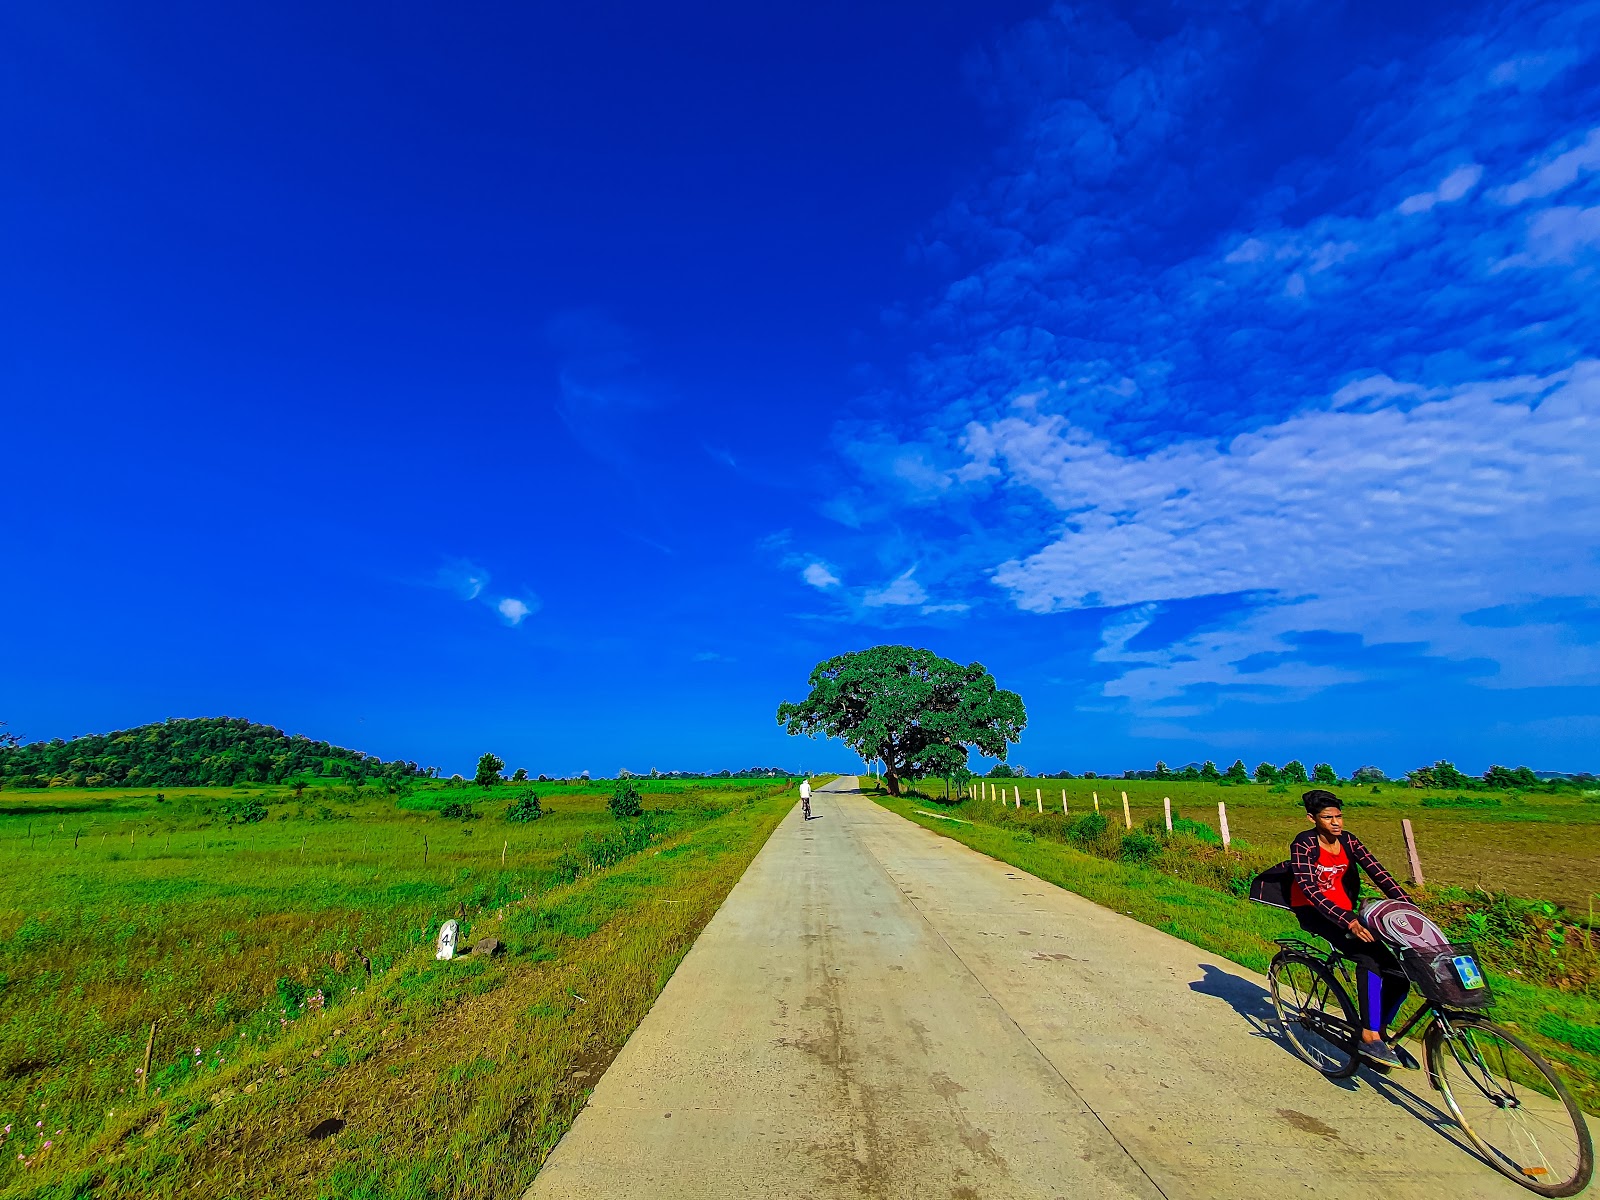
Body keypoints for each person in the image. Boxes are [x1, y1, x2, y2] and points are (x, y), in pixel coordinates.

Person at [1289, 789, 1413, 1068]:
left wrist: (1409, 907)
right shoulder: (1303, 844)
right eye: (1327, 817)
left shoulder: (1349, 841)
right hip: (1315, 911)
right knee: (1367, 958)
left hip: (1346, 910)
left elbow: (1380, 874)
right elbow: (1310, 890)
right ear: (1312, 818)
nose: (1336, 823)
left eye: (1339, 816)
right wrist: (1349, 921)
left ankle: (1379, 1030)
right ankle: (1368, 1037)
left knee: (1400, 973)